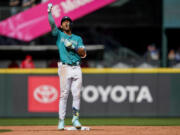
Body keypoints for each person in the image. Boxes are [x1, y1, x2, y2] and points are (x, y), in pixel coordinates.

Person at [47, 3, 87, 130]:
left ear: (71, 24)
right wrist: (49, 13)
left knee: (77, 95)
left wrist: (73, 47)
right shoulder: (59, 35)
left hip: (76, 67)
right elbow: (52, 25)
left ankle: (75, 119)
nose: (66, 23)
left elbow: (83, 53)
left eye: (68, 21)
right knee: (64, 95)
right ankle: (61, 120)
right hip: (64, 67)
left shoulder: (77, 38)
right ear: (61, 25)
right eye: (64, 21)